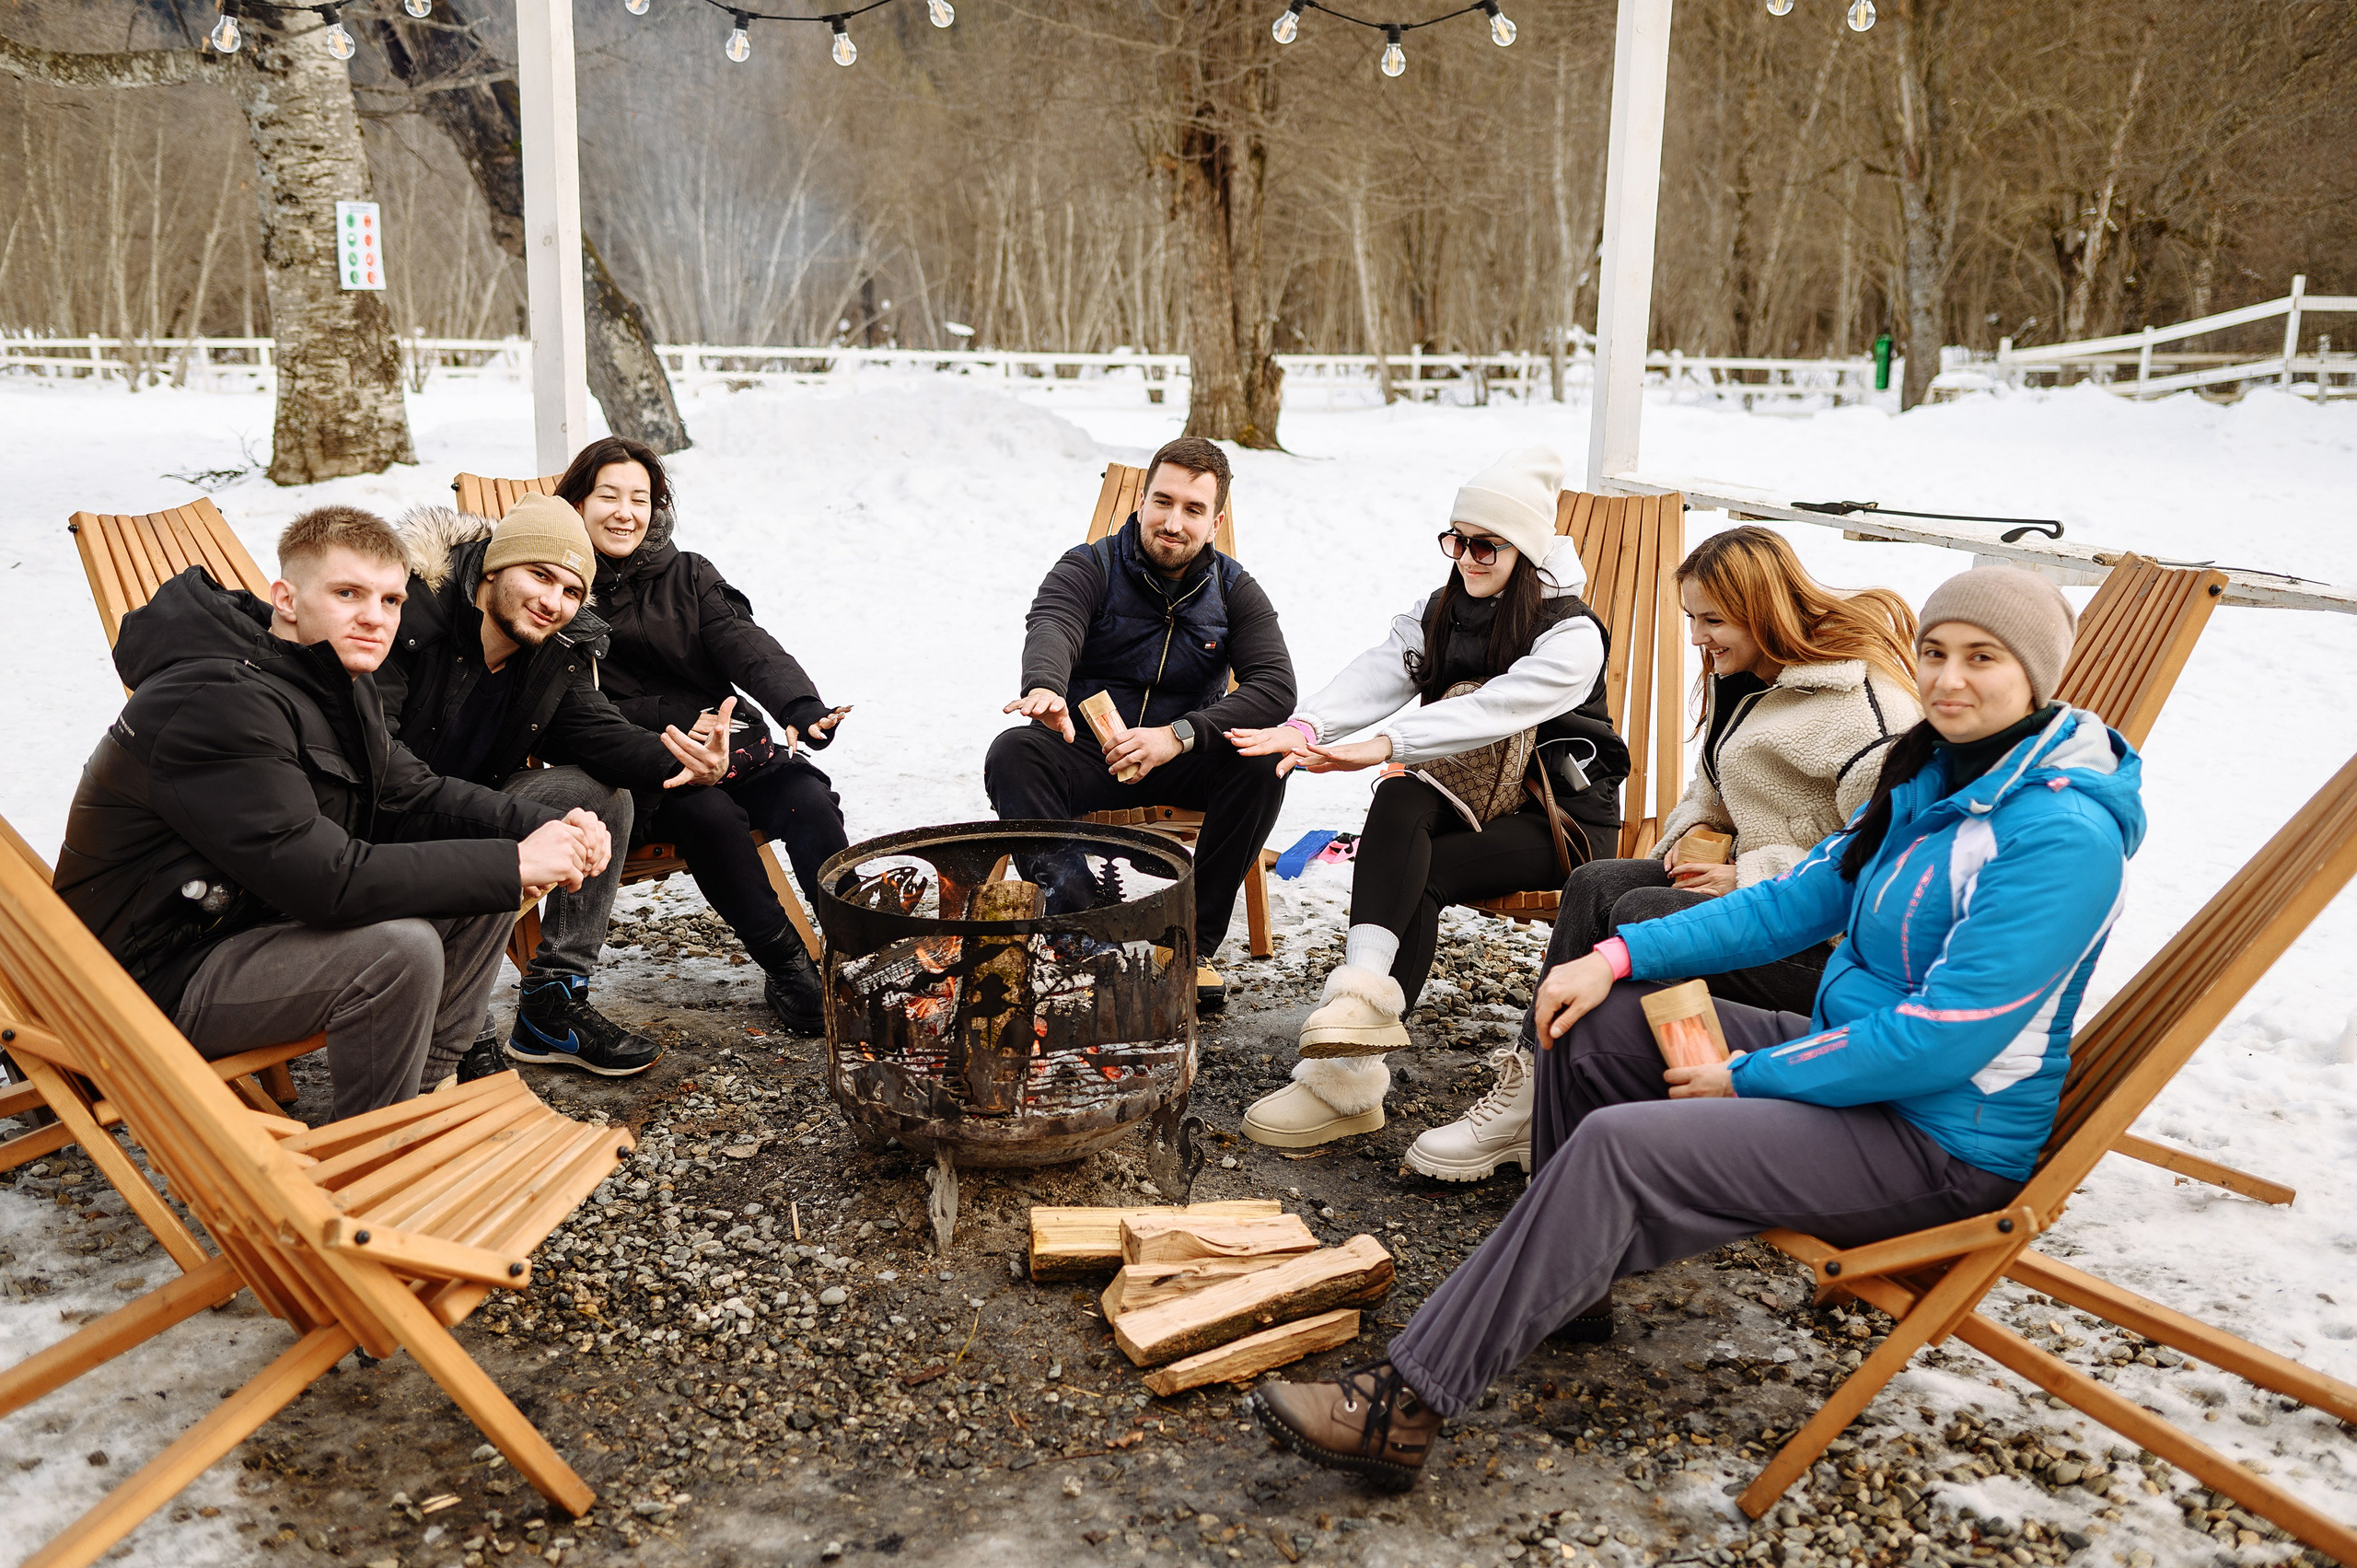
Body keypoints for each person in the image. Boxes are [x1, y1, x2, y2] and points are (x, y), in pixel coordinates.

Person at [1248, 565, 2142, 1492]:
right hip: (1857, 1073)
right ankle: (1568, 1284)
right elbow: (1794, 900)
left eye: (1982, 658)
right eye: (1936, 652)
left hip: (1934, 1138)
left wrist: (1751, 1078)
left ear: (2035, 676)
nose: (1950, 679)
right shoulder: (1934, 774)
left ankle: (1403, 1401)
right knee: (1593, 1023)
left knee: (1620, 1148)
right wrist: (1615, 958)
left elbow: (1945, 1037)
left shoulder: (2057, 835)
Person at [53, 506, 612, 1121]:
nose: (376, 618)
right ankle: (379, 1145)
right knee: (401, 948)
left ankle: (427, 1095)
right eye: (348, 593)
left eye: (392, 600)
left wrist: (542, 830)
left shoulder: (331, 681)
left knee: (480, 885)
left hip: (236, 926)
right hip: (143, 979)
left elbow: (416, 792)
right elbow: (327, 880)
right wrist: (512, 860)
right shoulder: (215, 701)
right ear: (286, 598)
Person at [1402, 525, 1921, 1181]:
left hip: (1836, 952)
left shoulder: (1867, 713)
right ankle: (1535, 1090)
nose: (1698, 637)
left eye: (1712, 620)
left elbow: (1887, 872)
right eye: (1690, 619)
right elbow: (1713, 796)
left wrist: (1749, 873)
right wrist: (1692, 848)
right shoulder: (1749, 678)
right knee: (1597, 884)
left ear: (1764, 611)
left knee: (1647, 911)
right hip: (1762, 903)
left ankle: (1676, 1126)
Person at [1225, 447, 1625, 1150]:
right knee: (1401, 800)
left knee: (1425, 850)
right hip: (1465, 791)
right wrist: (1306, 725)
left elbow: (1495, 709)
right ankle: (1356, 1012)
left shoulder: (1571, 634)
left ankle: (1344, 1075)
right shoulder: (1443, 610)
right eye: (1457, 540)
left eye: (1486, 545)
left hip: (1558, 821)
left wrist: (1387, 745)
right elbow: (1382, 671)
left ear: (1526, 551)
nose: (1467, 557)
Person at [381, 494, 732, 1078]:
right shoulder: (410, 620)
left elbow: (602, 736)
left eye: (572, 592)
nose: (553, 603)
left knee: (599, 797)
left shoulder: (552, 653)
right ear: (494, 567)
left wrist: (685, 759)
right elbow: (384, 767)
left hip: (472, 812)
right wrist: (510, 820)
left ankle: (553, 1000)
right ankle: (461, 1029)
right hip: (383, 820)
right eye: (540, 577)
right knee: (500, 842)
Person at [985, 436, 1295, 1009]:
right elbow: (1054, 621)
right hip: (1090, 748)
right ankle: (1085, 932)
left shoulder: (1234, 588)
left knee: (1268, 758)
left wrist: (1178, 737)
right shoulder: (1089, 565)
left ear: (1215, 520)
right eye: (1163, 502)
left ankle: (1186, 945)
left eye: (1193, 510)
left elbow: (1275, 687)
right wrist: (1047, 685)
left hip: (1181, 756)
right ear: (1142, 502)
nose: (1173, 522)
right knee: (1014, 753)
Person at [561, 436, 851, 1035]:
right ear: (578, 504)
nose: (625, 512)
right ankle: (789, 965)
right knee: (713, 818)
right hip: (645, 766)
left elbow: (746, 645)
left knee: (808, 799)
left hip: (735, 742)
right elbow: (573, 706)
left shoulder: (688, 574)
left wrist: (800, 706)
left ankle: (858, 954)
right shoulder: (557, 592)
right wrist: (662, 718)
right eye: (608, 496)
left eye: (639, 498)